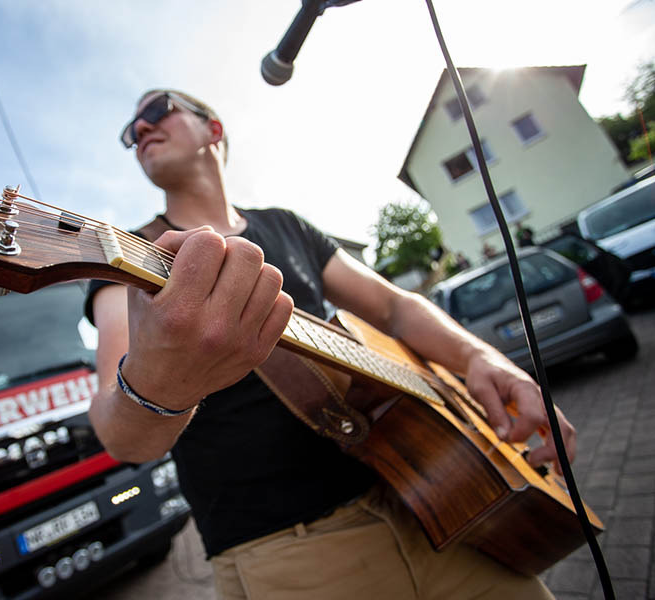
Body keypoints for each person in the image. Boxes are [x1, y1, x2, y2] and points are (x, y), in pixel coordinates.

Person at [85, 89, 575, 599]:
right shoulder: (124, 253)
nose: (140, 130)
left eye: (158, 110)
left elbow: (394, 308)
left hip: (429, 497)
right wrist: (159, 379)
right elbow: (123, 436)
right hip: (285, 552)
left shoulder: (286, 224)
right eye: (131, 131)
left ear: (214, 129)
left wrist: (482, 357)